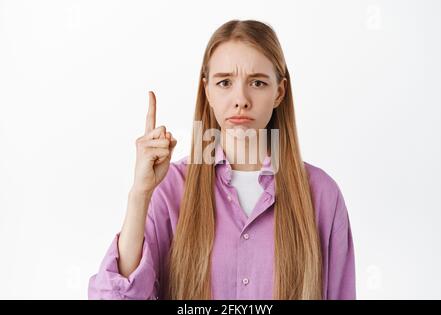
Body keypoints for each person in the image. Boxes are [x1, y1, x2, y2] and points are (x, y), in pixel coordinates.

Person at [88, 19, 356, 300]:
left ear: (279, 92)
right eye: (225, 82)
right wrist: (140, 194)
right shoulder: (170, 188)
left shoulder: (322, 194)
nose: (241, 99)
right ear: (207, 91)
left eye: (257, 82)